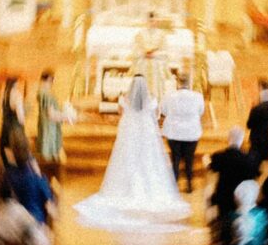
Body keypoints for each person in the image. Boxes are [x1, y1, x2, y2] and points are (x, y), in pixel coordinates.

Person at [75, 71, 192, 229]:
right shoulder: (151, 99)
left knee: (127, 160)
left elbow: (119, 112)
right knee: (148, 161)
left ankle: (124, 189)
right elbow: (157, 115)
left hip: (129, 134)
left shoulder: (124, 98)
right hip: (146, 135)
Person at [161, 69, 206, 192]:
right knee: (189, 159)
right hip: (191, 133)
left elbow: (164, 111)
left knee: (175, 159)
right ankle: (189, 185)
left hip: (173, 132)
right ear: (189, 83)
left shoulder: (168, 96)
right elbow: (201, 112)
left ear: (177, 83)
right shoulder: (198, 96)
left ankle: (174, 185)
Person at [35, 69, 64, 179]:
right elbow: (51, 114)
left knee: (44, 148)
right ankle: (51, 178)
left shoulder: (40, 92)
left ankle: (47, 176)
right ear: (48, 79)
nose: (52, 83)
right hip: (50, 126)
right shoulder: (47, 95)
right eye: (52, 80)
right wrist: (66, 116)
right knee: (49, 151)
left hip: (43, 125)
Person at [246, 80, 268, 168]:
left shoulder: (256, 108)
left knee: (254, 163)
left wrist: (252, 108)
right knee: (265, 161)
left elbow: (249, 125)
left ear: (260, 88)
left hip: (257, 140)